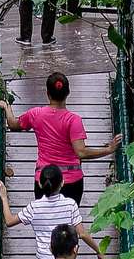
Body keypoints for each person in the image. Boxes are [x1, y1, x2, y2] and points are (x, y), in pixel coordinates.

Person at [14, 70, 87, 201]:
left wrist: (6, 108)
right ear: (68, 93)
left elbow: (14, 124)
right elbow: (81, 152)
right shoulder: (74, 120)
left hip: (44, 179)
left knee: (44, 219)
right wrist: (109, 149)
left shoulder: (35, 114)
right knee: (70, 219)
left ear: (48, 94)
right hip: (72, 181)